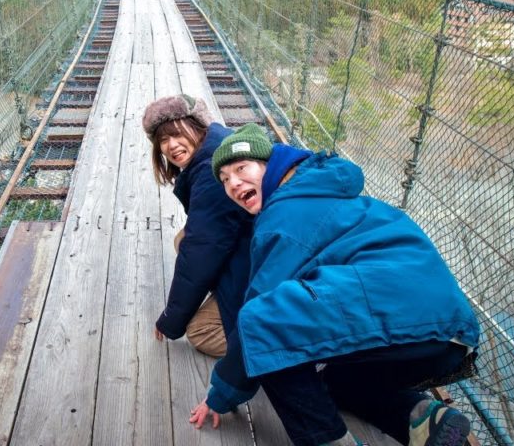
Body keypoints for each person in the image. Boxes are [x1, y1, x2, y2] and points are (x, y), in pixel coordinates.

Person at [189, 123, 481, 446]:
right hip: (448, 333)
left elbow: (258, 316)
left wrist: (221, 394)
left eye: (241, 168)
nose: (233, 184)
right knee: (331, 381)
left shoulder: (284, 216)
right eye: (225, 180)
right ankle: (422, 419)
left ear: (270, 165)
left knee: (264, 326)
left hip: (408, 319)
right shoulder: (319, 186)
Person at [142, 94, 253, 357]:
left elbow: (202, 249)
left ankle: (291, 345)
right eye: (163, 140)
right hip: (254, 245)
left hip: (266, 263)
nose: (171, 145)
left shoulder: (213, 170)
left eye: (178, 134)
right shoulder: (216, 146)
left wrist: (172, 317)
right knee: (183, 239)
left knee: (202, 330)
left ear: (198, 127)